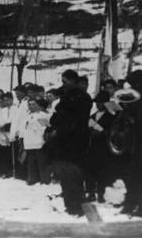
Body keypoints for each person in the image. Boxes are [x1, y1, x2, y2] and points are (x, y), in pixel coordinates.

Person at [48, 69, 92, 216]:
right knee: (66, 175)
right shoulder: (69, 96)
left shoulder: (81, 98)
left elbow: (72, 120)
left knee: (74, 175)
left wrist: (58, 130)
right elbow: (58, 116)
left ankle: (76, 206)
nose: (63, 84)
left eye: (65, 81)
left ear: (73, 81)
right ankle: (70, 203)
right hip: (66, 142)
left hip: (74, 141)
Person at [119, 70, 142, 217]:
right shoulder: (139, 93)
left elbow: (140, 118)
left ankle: (140, 206)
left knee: (139, 174)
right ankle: (135, 205)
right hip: (138, 142)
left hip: (141, 142)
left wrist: (130, 116)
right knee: (136, 174)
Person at [84, 91, 116, 203]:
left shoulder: (112, 116)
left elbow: (114, 131)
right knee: (90, 171)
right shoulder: (92, 116)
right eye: (97, 102)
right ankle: (91, 192)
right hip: (92, 147)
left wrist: (103, 133)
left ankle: (102, 193)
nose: (98, 105)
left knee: (103, 172)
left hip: (104, 148)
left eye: (101, 102)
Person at [21, 98, 51, 185]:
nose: (31, 106)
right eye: (29, 104)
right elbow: (24, 128)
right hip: (29, 141)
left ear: (38, 105)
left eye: (33, 104)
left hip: (39, 140)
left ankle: (44, 179)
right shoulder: (27, 116)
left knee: (41, 161)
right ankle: (32, 178)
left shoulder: (43, 115)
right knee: (31, 161)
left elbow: (46, 128)